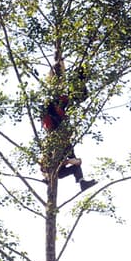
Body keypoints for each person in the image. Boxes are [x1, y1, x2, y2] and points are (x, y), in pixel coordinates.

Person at [41, 62, 97, 192]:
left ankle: (82, 183)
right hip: (56, 122)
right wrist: (72, 161)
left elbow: (75, 162)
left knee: (72, 96)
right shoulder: (59, 144)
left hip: (57, 123)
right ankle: (77, 75)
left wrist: (72, 161)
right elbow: (75, 162)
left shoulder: (58, 145)